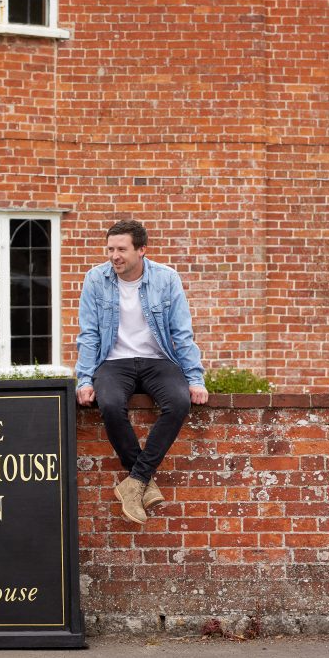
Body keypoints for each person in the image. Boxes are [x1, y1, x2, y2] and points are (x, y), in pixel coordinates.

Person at [75, 219, 208, 526]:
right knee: (109, 404)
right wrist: (84, 379)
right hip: (113, 361)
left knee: (178, 402)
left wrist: (195, 379)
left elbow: (182, 333)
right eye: (110, 249)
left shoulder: (166, 278)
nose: (114, 256)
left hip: (157, 360)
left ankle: (135, 481)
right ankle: (143, 482)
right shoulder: (95, 279)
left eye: (121, 249)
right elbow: (89, 334)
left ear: (141, 250)